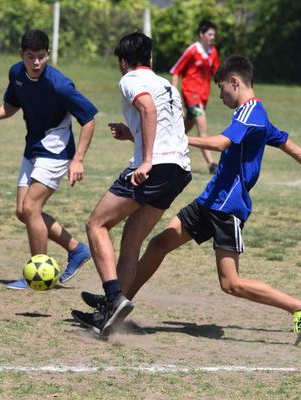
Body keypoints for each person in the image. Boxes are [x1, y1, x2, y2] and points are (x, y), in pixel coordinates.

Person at [79, 55, 301, 347]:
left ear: (235, 82)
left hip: (227, 207)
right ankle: (115, 305)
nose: (219, 96)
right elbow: (288, 144)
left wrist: (174, 137)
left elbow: (220, 143)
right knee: (158, 245)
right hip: (210, 200)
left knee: (230, 283)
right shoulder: (257, 114)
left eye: (221, 89)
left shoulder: (251, 113)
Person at [70, 32, 192, 336]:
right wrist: (133, 134)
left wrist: (147, 160)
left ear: (124, 62)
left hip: (154, 167)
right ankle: (113, 315)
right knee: (131, 241)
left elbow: (148, 110)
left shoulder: (129, 80)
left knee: (96, 224)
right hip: (179, 169)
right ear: (149, 58)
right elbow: (166, 125)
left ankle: (113, 299)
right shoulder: (167, 85)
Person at [0, 29, 96, 288]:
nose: (37, 63)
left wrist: (79, 159)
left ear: (48, 55)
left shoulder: (59, 85)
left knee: (31, 208)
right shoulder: (16, 74)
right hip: (33, 147)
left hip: (56, 150)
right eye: (31, 57)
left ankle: (39, 274)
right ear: (22, 56)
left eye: (41, 57)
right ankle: (77, 249)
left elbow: (88, 119)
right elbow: (12, 104)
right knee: (23, 211)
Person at [170, 19, 220, 174]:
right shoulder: (193, 50)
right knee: (202, 127)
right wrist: (174, 92)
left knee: (185, 127)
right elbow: (176, 70)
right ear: (201, 34)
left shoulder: (213, 52)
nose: (212, 37)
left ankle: (168, 143)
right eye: (210, 34)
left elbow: (217, 73)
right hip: (191, 94)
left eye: (213, 34)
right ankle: (212, 164)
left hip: (203, 96)